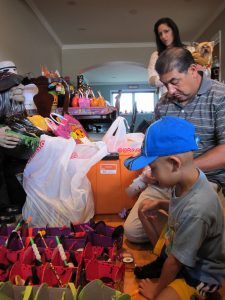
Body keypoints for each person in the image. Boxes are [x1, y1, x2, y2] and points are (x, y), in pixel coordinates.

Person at [124, 47, 225, 246]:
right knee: (132, 231)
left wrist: (184, 169)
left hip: (206, 181)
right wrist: (153, 169)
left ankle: (183, 235)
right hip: (166, 179)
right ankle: (180, 234)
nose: (169, 91)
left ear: (193, 70)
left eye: (174, 82)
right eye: (165, 84)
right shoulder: (164, 103)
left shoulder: (220, 96)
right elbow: (153, 145)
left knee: (205, 237)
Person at [125, 116, 225, 300]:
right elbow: (180, 209)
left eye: (153, 169)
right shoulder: (184, 181)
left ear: (174, 163)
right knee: (144, 210)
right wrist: (161, 204)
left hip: (198, 276)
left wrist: (157, 291)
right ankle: (164, 269)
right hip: (183, 254)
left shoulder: (198, 208)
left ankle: (203, 295)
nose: (152, 175)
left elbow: (175, 262)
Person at [148, 18, 193, 96]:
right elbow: (151, 80)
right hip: (168, 97)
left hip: (189, 96)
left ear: (174, 31)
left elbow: (196, 73)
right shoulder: (156, 55)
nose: (163, 36)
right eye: (160, 34)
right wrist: (173, 77)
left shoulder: (190, 50)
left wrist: (163, 77)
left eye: (166, 31)